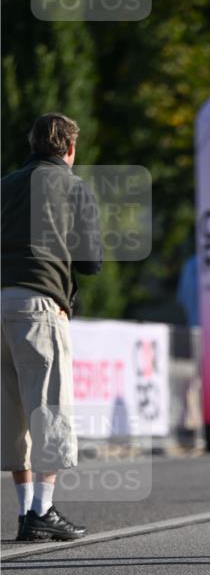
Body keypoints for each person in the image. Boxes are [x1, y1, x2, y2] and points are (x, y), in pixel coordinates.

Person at [1, 112, 102, 541]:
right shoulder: (74, 188)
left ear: (33, 145)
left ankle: (25, 512)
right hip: (40, 304)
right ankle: (42, 511)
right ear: (70, 149)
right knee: (49, 409)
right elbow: (91, 263)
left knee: (12, 413)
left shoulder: (4, 185)